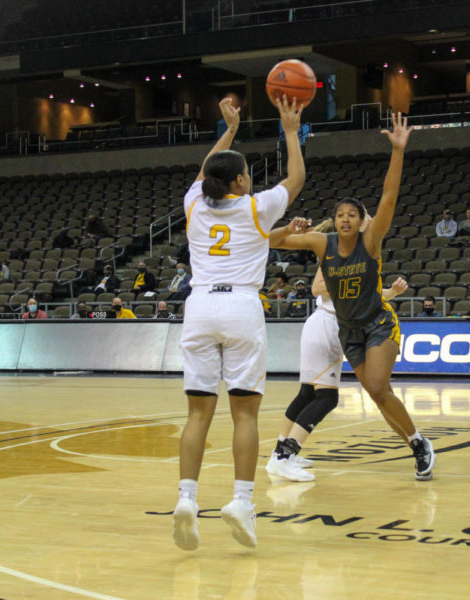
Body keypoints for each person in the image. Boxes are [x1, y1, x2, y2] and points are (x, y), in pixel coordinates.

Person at [267, 113, 437, 485]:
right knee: (379, 395)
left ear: (362, 220)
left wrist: (397, 151)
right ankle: (417, 442)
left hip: (379, 324)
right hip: (348, 332)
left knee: (376, 387)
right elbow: (270, 241)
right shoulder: (321, 243)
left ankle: (421, 443)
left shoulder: (371, 242)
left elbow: (389, 195)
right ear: (335, 220)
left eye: (352, 214)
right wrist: (287, 228)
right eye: (339, 214)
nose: (345, 219)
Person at [173, 95, 305, 552]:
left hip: (200, 305)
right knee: (244, 412)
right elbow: (297, 178)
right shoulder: (255, 206)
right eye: (245, 173)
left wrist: (228, 129)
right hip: (242, 308)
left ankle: (187, 498)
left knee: (197, 414)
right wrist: (290, 129)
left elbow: (204, 171)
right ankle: (241, 502)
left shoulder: (193, 203)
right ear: (240, 180)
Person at [266, 218, 409, 481]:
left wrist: (390, 292)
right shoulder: (337, 257)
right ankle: (286, 456)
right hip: (328, 325)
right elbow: (317, 288)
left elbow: (365, 295)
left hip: (323, 325)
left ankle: (279, 454)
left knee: (307, 393)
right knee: (327, 398)